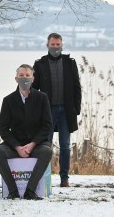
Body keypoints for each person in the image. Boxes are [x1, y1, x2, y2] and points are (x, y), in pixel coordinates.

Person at [0, 64, 53, 200]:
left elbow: (47, 125)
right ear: (16, 79)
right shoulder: (8, 100)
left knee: (47, 151)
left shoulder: (42, 98)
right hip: (15, 145)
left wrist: (32, 144)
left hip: (36, 145)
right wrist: (17, 147)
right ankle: (13, 191)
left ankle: (30, 191)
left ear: (32, 79)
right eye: (21, 75)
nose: (24, 78)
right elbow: (3, 128)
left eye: (27, 75)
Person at [32, 32, 81, 187]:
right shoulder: (40, 64)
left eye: (57, 44)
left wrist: (76, 109)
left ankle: (64, 179)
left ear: (61, 45)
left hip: (66, 112)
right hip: (47, 112)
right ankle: (43, 178)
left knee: (65, 146)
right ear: (47, 45)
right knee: (45, 146)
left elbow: (76, 87)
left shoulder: (70, 62)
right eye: (52, 44)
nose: (55, 47)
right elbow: (33, 88)